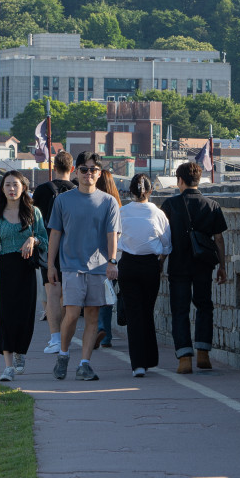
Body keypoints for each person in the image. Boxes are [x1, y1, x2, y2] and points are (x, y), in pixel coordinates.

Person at [47, 151, 121, 382]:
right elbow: (55, 234)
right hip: (71, 266)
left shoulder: (109, 202)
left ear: (99, 174)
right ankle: (63, 354)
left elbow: (112, 235)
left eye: (93, 170)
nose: (89, 173)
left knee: (92, 315)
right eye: (84, 169)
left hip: (98, 268)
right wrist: (50, 265)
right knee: (71, 313)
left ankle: (84, 364)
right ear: (76, 172)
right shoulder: (62, 201)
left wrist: (112, 261)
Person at [0, 171, 47, 383]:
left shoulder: (33, 212)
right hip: (4, 271)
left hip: (26, 270)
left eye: (15, 184)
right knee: (4, 317)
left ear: (23, 187)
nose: (11, 189)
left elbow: (45, 239)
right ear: (2, 189)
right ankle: (8, 367)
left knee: (24, 316)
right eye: (7, 185)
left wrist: (33, 240)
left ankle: (20, 352)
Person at [160, 161, 228, 373]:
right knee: (204, 305)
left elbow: (164, 239)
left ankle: (184, 358)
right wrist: (222, 266)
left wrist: (160, 263)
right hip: (203, 264)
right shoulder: (212, 205)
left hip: (178, 264)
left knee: (180, 310)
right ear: (199, 180)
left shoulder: (170, 205)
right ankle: (203, 353)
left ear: (180, 180)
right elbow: (218, 239)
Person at [117, 173, 172, 376]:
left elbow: (114, 239)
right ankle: (150, 357)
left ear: (130, 191)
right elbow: (167, 245)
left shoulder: (122, 212)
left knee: (134, 314)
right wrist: (161, 261)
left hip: (128, 265)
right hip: (150, 265)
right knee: (147, 311)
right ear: (150, 191)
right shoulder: (158, 213)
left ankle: (138, 363)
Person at [32, 151, 76, 355]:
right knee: (68, 296)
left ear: (54, 168)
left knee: (52, 294)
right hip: (72, 248)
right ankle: (67, 336)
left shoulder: (42, 190)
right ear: (72, 168)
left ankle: (55, 338)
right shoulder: (77, 190)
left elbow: (34, 218)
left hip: (48, 247)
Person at [95, 169, 123, 348]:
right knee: (108, 295)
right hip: (118, 257)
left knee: (99, 297)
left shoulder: (98, 205)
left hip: (100, 258)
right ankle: (105, 334)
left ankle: (101, 331)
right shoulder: (118, 207)